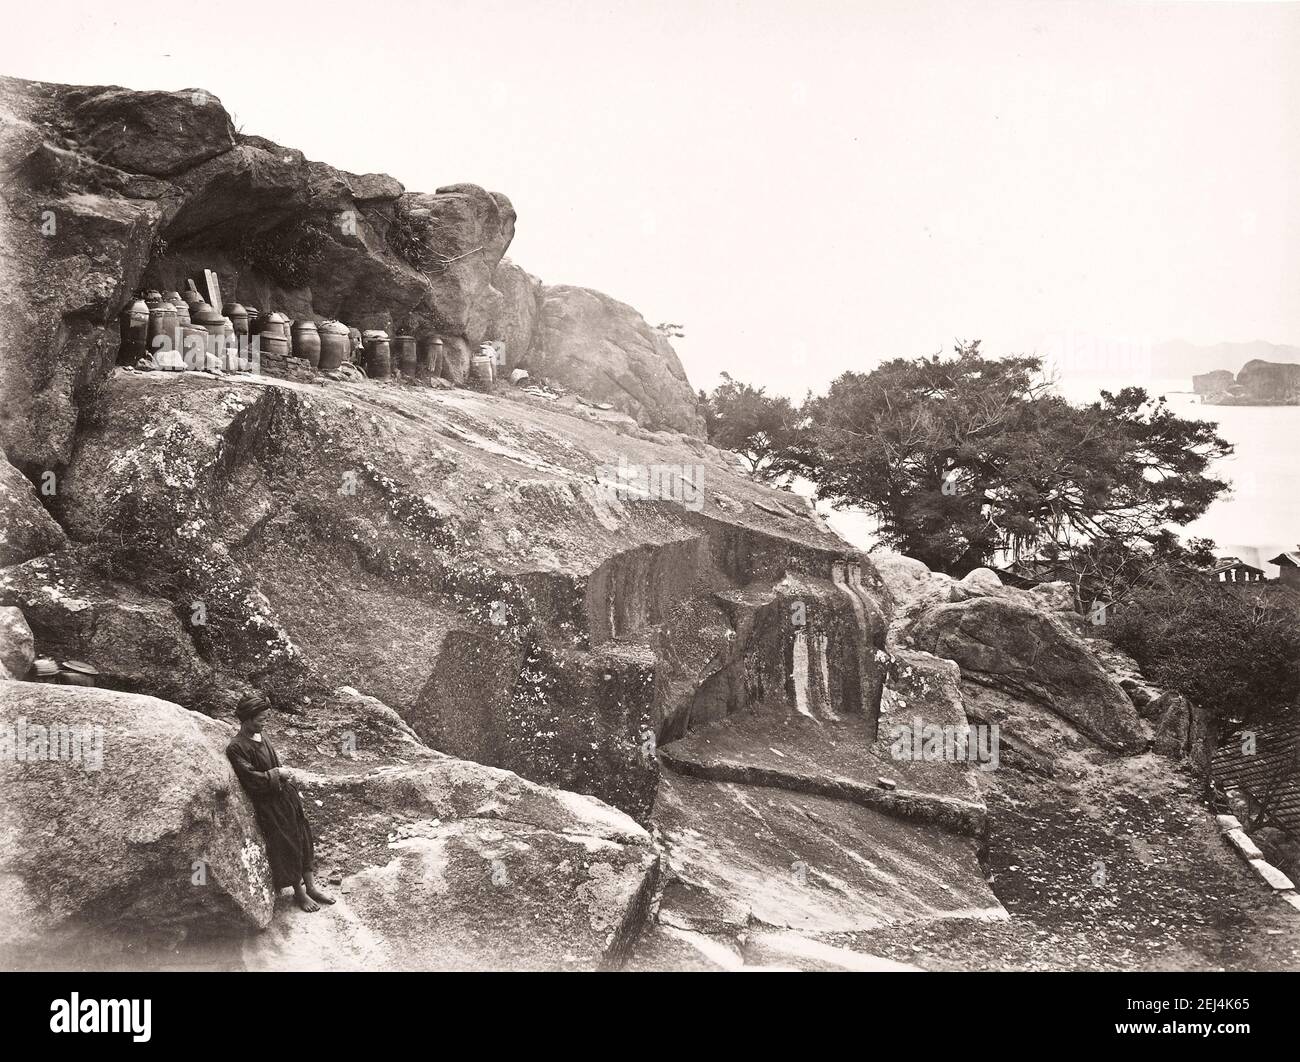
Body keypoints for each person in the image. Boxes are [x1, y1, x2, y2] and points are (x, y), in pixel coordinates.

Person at [226, 691, 334, 913]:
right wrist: (277, 773)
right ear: (247, 718)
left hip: (286, 797)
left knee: (303, 838)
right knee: (287, 844)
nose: (264, 722)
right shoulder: (237, 747)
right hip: (270, 804)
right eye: (261, 718)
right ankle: (299, 892)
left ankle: (311, 887)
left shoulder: (262, 736)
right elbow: (251, 779)